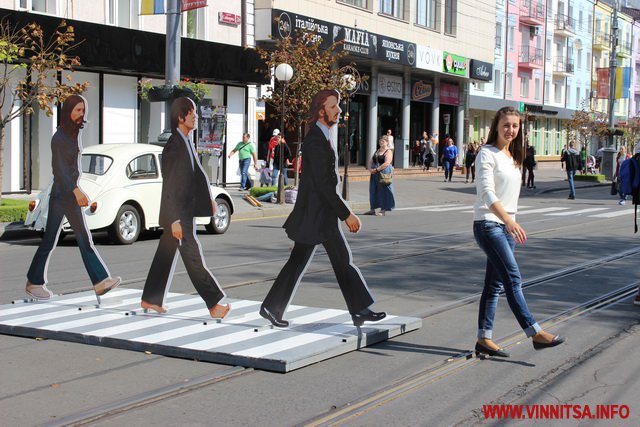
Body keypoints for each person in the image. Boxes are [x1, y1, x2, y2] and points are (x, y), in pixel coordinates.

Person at [259, 89, 386, 328]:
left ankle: (358, 309)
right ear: (320, 111)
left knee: (337, 260)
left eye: (338, 106)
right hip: (316, 216)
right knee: (309, 261)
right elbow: (323, 185)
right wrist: (346, 214)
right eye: (333, 106)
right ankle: (272, 307)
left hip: (320, 215)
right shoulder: (316, 140)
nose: (339, 110)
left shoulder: (322, 135)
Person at [473, 106, 565, 358]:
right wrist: (509, 222)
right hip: (489, 224)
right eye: (506, 125)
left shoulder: (514, 157)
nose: (510, 130)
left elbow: (509, 196)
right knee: (513, 278)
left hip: (506, 226)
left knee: (493, 285)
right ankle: (535, 332)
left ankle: (484, 338)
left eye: (515, 125)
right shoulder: (486, 154)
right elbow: (487, 193)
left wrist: (511, 222)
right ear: (496, 126)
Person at [141, 97, 230, 319]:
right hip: (179, 214)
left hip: (185, 211)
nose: (196, 117)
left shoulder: (186, 141)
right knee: (193, 258)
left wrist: (208, 197)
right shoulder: (174, 145)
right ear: (181, 117)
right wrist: (173, 220)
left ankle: (150, 299)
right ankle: (214, 303)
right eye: (192, 113)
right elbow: (170, 185)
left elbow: (195, 176)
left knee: (165, 254)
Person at [26, 95, 121, 301]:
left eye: (83, 111)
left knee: (70, 239)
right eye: (77, 110)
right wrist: (76, 190)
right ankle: (36, 283)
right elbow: (60, 170)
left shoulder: (71, 135)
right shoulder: (59, 138)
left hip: (65, 194)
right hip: (64, 194)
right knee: (63, 239)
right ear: (68, 111)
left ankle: (98, 281)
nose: (81, 115)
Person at [364, 137, 395, 216]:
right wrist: (370, 168)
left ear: (387, 142)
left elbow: (387, 163)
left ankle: (383, 210)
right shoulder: (377, 150)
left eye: (383, 141)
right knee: (373, 190)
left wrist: (377, 169)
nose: (381, 142)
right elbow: (371, 160)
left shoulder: (388, 151)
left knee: (383, 191)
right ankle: (372, 210)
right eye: (380, 141)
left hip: (383, 173)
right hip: (374, 173)